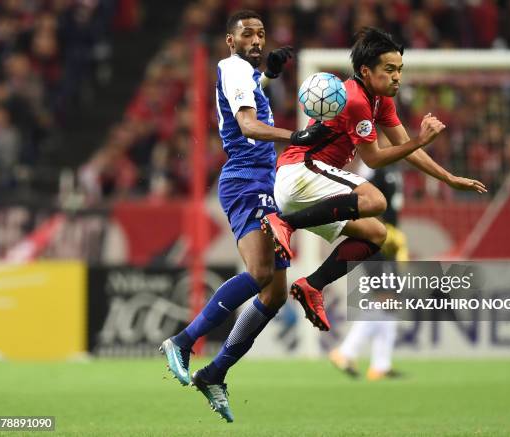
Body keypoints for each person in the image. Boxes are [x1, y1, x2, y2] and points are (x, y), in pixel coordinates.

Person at [160, 10, 330, 422]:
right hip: (246, 179)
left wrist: (267, 75)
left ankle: (216, 372)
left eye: (262, 33)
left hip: (262, 180)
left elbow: (247, 107)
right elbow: (249, 126)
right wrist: (297, 136)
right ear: (230, 42)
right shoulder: (233, 67)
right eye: (247, 34)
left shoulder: (244, 73)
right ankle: (183, 341)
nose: (257, 39)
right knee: (257, 274)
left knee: (272, 293)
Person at [261, 27, 487, 331]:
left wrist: (448, 178)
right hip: (302, 170)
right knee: (374, 200)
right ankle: (286, 224)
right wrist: (421, 140)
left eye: (399, 70)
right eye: (389, 69)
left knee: (375, 234)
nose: (397, 77)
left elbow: (404, 146)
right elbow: (375, 157)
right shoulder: (355, 99)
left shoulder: (380, 100)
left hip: (307, 185)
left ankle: (312, 285)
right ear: (365, 71)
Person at [330, 163, 406, 381]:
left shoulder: (393, 169)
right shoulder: (375, 170)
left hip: (388, 241)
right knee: (386, 297)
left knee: (390, 301)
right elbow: (364, 202)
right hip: (375, 239)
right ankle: (346, 352)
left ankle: (381, 364)